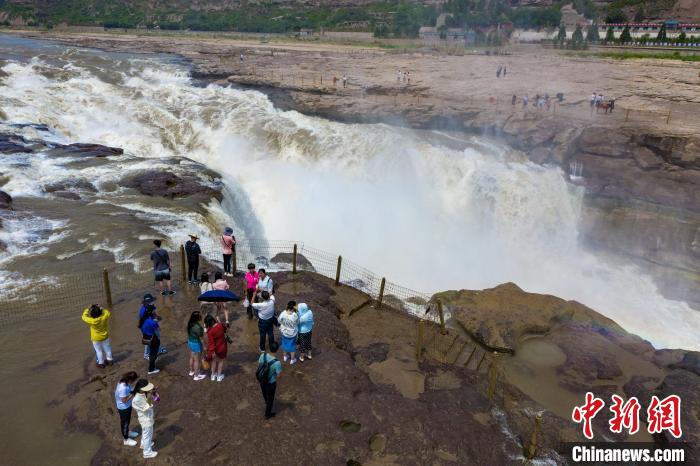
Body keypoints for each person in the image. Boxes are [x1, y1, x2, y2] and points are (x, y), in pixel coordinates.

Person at [132, 379, 158, 459]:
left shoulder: (142, 393)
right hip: (146, 420)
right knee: (148, 435)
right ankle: (147, 453)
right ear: (141, 388)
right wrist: (150, 396)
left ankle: (144, 444)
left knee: (145, 433)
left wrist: (152, 393)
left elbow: (152, 400)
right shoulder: (136, 399)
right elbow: (147, 407)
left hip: (147, 418)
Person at [81, 304, 113, 368]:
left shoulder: (92, 321)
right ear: (100, 312)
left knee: (98, 351)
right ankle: (110, 360)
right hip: (105, 337)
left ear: (92, 315)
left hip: (95, 339)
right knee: (107, 348)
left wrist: (88, 309)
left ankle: (101, 363)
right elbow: (108, 313)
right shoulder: (104, 317)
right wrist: (101, 308)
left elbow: (83, 317)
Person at [257, 341, 282, 420]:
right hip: (271, 382)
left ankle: (266, 402)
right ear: (277, 350)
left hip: (262, 380)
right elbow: (279, 375)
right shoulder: (277, 363)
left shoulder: (263, 355)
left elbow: (260, 365)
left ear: (269, 348)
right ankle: (267, 414)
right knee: (271, 398)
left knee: (264, 393)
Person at [115, 371, 140, 446]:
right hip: (123, 407)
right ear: (130, 380)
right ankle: (126, 439)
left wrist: (133, 390)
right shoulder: (123, 388)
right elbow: (124, 400)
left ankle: (128, 432)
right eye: (134, 380)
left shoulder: (123, 381)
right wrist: (133, 393)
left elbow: (128, 390)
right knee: (125, 423)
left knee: (127, 420)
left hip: (127, 406)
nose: (134, 382)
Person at [138, 294, 166, 360]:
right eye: (150, 301)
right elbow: (144, 322)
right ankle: (146, 354)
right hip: (146, 328)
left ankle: (158, 349)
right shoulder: (143, 311)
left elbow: (154, 313)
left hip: (153, 325)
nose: (152, 302)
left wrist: (157, 319)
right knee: (147, 341)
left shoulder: (151, 306)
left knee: (157, 337)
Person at [139, 305, 161, 375]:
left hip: (146, 336)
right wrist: (156, 320)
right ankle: (151, 369)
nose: (155, 311)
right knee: (153, 354)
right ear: (151, 312)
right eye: (154, 310)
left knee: (151, 351)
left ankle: (152, 364)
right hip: (152, 338)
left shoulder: (143, 319)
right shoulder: (152, 322)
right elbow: (157, 327)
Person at [205, 314, 227, 382]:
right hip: (222, 347)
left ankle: (213, 375)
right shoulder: (220, 325)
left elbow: (211, 343)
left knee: (214, 362)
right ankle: (219, 376)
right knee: (221, 361)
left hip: (214, 349)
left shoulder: (210, 331)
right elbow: (225, 329)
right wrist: (219, 321)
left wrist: (212, 352)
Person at [187, 311, 207, 381]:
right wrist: (204, 346)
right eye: (200, 316)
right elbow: (201, 338)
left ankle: (191, 371)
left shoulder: (190, 323)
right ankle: (196, 375)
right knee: (197, 360)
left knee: (192, 357)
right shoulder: (198, 327)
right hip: (196, 344)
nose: (201, 317)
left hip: (190, 342)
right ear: (197, 318)